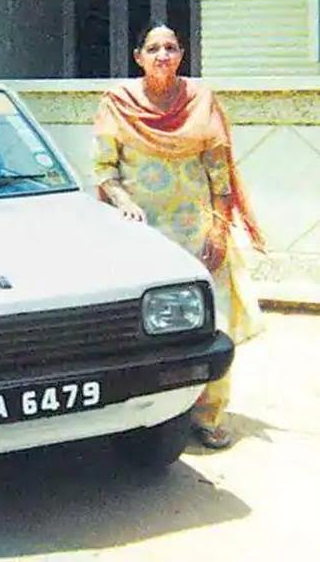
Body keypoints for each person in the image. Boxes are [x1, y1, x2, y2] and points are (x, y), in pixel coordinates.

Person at [92, 22, 265, 450]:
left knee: (212, 323)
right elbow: (103, 170)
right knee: (145, 328)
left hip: (197, 235)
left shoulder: (200, 101)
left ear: (182, 55)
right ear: (138, 57)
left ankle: (207, 417)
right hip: (143, 238)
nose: (163, 56)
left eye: (171, 48)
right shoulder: (118, 103)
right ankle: (147, 417)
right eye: (154, 48)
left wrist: (220, 230)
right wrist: (119, 200)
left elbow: (219, 175)